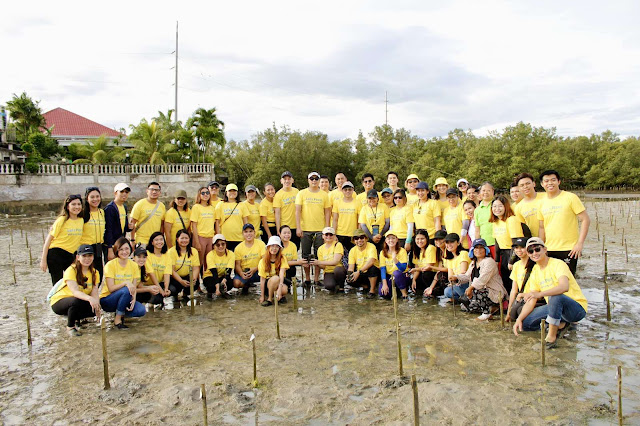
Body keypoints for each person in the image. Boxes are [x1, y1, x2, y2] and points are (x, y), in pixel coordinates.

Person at [512, 237, 587, 349]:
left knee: (555, 297)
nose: (534, 253)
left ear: (545, 250)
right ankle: (560, 324)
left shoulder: (558, 264)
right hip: (554, 308)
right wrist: (519, 319)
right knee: (526, 324)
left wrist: (541, 294)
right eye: (530, 251)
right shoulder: (535, 271)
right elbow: (532, 298)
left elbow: (564, 287)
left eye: (537, 249)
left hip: (575, 308)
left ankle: (551, 338)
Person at [537, 170, 590, 275]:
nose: (550, 183)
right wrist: (541, 247)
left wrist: (579, 243)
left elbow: (585, 219)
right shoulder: (541, 203)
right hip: (549, 249)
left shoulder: (570, 197)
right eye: (546, 181)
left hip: (569, 249)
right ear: (542, 184)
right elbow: (542, 227)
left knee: (568, 281)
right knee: (551, 280)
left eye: (553, 180)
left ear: (559, 182)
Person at [49, 244, 101, 336]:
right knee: (75, 301)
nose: (87, 259)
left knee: (95, 308)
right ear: (78, 257)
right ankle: (70, 327)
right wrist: (90, 299)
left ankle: (76, 318)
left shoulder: (95, 272)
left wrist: (96, 305)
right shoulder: (71, 270)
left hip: (79, 300)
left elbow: (94, 291)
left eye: (90, 255)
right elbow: (75, 292)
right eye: (84, 256)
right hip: (60, 301)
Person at [456, 239, 507, 320]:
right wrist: (456, 277)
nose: (478, 250)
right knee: (465, 306)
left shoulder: (489, 262)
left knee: (477, 290)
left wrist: (470, 288)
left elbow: (482, 279)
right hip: (480, 293)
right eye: (476, 248)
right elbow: (467, 276)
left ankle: (486, 313)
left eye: (481, 248)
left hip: (495, 292)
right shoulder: (473, 263)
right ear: (473, 250)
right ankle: (492, 308)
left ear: (485, 250)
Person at [100, 237, 146, 328]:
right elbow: (111, 288)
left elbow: (134, 286)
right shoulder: (110, 265)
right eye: (121, 249)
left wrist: (133, 299)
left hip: (125, 297)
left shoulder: (134, 265)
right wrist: (125, 283)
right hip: (108, 299)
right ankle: (117, 320)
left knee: (141, 310)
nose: (124, 252)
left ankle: (121, 312)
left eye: (126, 249)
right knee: (126, 289)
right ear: (116, 250)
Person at [296, 171, 331, 286]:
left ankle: (316, 279)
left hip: (320, 230)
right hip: (305, 229)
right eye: (312, 179)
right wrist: (298, 227)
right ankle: (307, 279)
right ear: (308, 180)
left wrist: (326, 229)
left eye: (316, 179)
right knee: (305, 256)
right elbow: (297, 211)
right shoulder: (302, 193)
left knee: (318, 255)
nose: (314, 181)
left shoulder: (324, 195)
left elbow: (327, 212)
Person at [41, 194, 84, 285]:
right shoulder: (62, 220)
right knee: (58, 282)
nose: (76, 207)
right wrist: (43, 260)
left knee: (74, 279)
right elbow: (48, 240)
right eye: (73, 204)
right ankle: (56, 299)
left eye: (79, 204)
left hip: (71, 254)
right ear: (68, 206)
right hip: (56, 253)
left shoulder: (81, 220)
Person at [489, 195, 524, 293]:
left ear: (506, 206)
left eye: (500, 206)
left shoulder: (511, 219)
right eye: (494, 206)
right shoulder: (495, 222)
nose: (497, 209)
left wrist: (511, 261)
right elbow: (497, 242)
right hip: (503, 254)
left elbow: (516, 242)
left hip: (514, 253)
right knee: (506, 281)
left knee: (515, 282)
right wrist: (496, 260)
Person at [506, 237, 536, 322]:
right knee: (513, 314)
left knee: (519, 311)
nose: (519, 250)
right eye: (516, 248)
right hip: (522, 298)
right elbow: (514, 290)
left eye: (522, 247)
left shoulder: (535, 265)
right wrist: (509, 309)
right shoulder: (516, 265)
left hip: (533, 297)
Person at [167, 229, 201, 303]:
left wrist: (194, 279)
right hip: (175, 277)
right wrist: (181, 281)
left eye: (186, 238)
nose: (184, 240)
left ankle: (185, 294)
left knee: (195, 283)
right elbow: (171, 270)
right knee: (174, 288)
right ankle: (175, 296)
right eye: (182, 238)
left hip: (187, 275)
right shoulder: (171, 251)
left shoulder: (193, 251)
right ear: (177, 239)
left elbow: (196, 268)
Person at [80, 186, 105, 279]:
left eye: (97, 196)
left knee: (99, 275)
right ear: (87, 199)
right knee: (85, 275)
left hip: (98, 247)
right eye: (92, 197)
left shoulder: (102, 212)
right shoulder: (82, 214)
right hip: (85, 248)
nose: (95, 199)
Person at [130, 182, 166, 249]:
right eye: (152, 189)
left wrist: (161, 239)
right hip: (141, 240)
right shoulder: (140, 204)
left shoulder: (162, 206)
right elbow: (132, 223)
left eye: (157, 190)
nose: (154, 192)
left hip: (156, 242)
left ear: (160, 192)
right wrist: (132, 240)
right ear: (147, 191)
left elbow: (162, 225)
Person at [233, 224, 266, 293]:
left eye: (250, 231)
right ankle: (246, 285)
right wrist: (241, 273)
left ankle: (266, 288)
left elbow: (265, 260)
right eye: (246, 232)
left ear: (254, 233)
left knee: (268, 273)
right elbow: (237, 265)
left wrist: (255, 269)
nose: (249, 234)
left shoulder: (261, 244)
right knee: (236, 283)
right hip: (245, 271)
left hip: (258, 270)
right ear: (243, 233)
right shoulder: (238, 248)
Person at [215, 184, 248, 251]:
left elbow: (245, 222)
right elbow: (217, 222)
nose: (232, 193)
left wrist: (246, 235)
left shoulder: (242, 205)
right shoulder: (220, 204)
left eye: (234, 191)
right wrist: (218, 237)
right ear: (226, 193)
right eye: (230, 191)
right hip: (225, 238)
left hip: (239, 238)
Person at [258, 236, 290, 306]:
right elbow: (262, 279)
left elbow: (282, 273)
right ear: (268, 247)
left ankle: (279, 295)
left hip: (279, 282)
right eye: (272, 246)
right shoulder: (263, 261)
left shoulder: (282, 258)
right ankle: (269, 298)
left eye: (277, 246)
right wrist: (262, 295)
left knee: (284, 289)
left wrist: (280, 288)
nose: (274, 248)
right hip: (269, 283)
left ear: (279, 248)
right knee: (275, 278)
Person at [346, 229, 379, 298]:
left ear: (366, 238)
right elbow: (351, 266)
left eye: (361, 237)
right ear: (354, 240)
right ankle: (366, 286)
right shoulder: (352, 250)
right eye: (356, 238)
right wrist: (349, 275)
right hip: (361, 273)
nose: (359, 240)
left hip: (373, 272)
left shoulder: (371, 246)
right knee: (350, 279)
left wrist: (359, 272)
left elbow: (371, 261)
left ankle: (372, 290)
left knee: (372, 268)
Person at [312, 227, 345, 293]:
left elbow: (335, 261)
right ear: (323, 236)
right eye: (326, 235)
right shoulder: (320, 249)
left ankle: (341, 286)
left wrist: (319, 262)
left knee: (338, 270)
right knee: (329, 286)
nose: (328, 236)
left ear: (334, 236)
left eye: (331, 235)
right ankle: (335, 284)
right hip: (328, 271)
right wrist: (316, 264)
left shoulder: (337, 244)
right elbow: (323, 266)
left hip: (338, 269)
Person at [378, 230, 410, 299]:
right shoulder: (382, 252)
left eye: (393, 238)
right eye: (389, 238)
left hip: (401, 276)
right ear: (386, 241)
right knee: (383, 293)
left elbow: (403, 268)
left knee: (396, 273)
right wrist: (384, 284)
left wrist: (395, 260)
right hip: (389, 276)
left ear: (397, 240)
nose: (391, 240)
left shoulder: (402, 251)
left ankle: (404, 293)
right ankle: (395, 291)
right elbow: (383, 269)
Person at [191, 186, 216, 270]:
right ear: (199, 195)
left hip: (210, 237)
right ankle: (196, 280)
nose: (205, 195)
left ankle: (206, 280)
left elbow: (214, 224)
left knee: (208, 262)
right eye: (203, 193)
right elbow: (194, 225)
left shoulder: (212, 208)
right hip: (200, 236)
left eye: (207, 193)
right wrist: (197, 241)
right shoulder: (196, 207)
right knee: (199, 261)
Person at [514, 172, 545, 237]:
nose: (525, 187)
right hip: (536, 242)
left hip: (554, 240)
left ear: (533, 184)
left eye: (527, 183)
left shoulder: (546, 197)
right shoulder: (518, 208)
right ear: (519, 188)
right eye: (522, 185)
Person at [104, 183, 130, 261]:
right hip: (112, 245)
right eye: (121, 192)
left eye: (126, 192)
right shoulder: (110, 208)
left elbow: (122, 227)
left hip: (120, 244)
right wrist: (110, 248)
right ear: (115, 193)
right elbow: (108, 229)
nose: (124, 194)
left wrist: (129, 228)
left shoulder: (124, 207)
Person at [332, 181, 358, 257]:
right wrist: (334, 234)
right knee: (341, 257)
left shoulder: (358, 203)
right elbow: (335, 219)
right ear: (342, 191)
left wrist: (358, 235)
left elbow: (359, 221)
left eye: (349, 189)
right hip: (340, 233)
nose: (347, 191)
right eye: (345, 189)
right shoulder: (337, 203)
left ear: (353, 190)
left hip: (352, 234)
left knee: (352, 256)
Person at [274, 171, 300, 247]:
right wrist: (278, 229)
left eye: (289, 179)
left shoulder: (297, 192)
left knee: (296, 247)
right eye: (285, 179)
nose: (287, 181)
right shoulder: (278, 195)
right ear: (281, 181)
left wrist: (300, 226)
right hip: (285, 227)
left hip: (296, 226)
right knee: (284, 248)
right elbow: (277, 213)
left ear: (292, 180)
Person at [441, 233, 471, 301]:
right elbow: (450, 277)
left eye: (451, 242)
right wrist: (452, 281)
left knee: (456, 287)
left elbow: (463, 273)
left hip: (466, 282)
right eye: (447, 243)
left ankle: (468, 299)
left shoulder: (463, 253)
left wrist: (454, 279)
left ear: (458, 243)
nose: (449, 245)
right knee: (447, 291)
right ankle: (462, 299)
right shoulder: (450, 259)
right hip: (457, 283)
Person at [409, 229, 437, 296]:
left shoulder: (430, 248)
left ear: (426, 239)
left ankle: (432, 292)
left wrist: (415, 270)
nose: (419, 241)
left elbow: (429, 267)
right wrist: (414, 280)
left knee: (426, 274)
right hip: (422, 272)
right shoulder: (417, 250)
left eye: (422, 239)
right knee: (413, 279)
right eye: (417, 239)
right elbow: (417, 266)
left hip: (432, 274)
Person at [422, 230, 450, 298]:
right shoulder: (439, 252)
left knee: (442, 275)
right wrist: (431, 287)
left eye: (441, 239)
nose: (438, 241)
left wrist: (431, 267)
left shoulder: (449, 251)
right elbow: (439, 271)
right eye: (436, 239)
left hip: (453, 276)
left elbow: (448, 269)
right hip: (443, 275)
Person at [145, 232, 172, 300]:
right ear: (152, 242)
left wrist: (166, 289)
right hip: (148, 284)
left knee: (172, 289)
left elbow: (167, 273)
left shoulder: (167, 255)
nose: (159, 242)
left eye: (161, 239)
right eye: (156, 240)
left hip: (160, 282)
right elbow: (151, 274)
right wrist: (161, 291)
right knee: (156, 296)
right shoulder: (147, 254)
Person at [474, 182, 496, 258]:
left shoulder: (496, 205)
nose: (485, 192)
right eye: (483, 190)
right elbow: (477, 229)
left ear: (493, 192)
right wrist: (476, 245)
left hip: (496, 242)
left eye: (488, 190)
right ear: (480, 193)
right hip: (483, 244)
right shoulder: (477, 210)